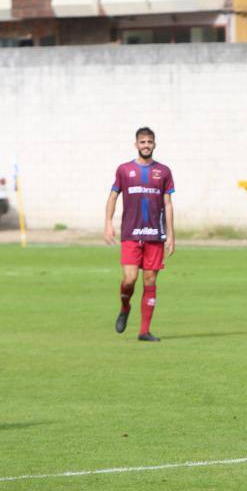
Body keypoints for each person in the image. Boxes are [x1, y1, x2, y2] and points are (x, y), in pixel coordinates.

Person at [104, 127, 175, 342]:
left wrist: (171, 234)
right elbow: (113, 197)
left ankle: (144, 331)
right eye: (142, 142)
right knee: (130, 278)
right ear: (136, 144)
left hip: (155, 234)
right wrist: (108, 223)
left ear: (154, 144)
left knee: (150, 280)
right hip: (131, 234)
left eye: (149, 142)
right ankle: (125, 306)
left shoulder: (164, 171)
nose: (146, 145)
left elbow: (168, 204)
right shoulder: (124, 170)